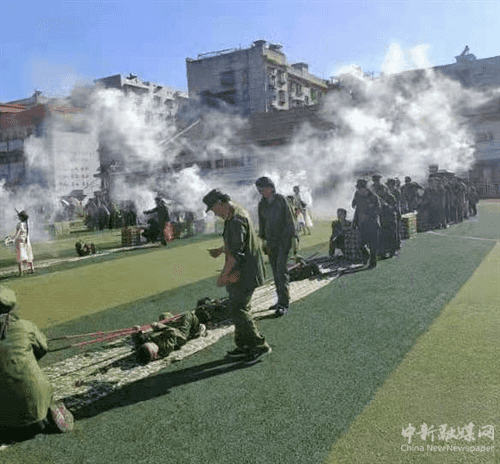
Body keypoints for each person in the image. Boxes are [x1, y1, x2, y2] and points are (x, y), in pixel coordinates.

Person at [203, 188, 271, 364]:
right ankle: (244, 345)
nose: (215, 214)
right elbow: (238, 243)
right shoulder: (237, 211)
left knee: (239, 309)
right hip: (247, 270)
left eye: (214, 209)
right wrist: (221, 250)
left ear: (220, 203)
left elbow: (235, 254)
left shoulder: (235, 220)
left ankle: (258, 345)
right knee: (237, 308)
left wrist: (224, 275)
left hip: (244, 272)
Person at [0, 285, 73, 442]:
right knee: (38, 380)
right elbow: (43, 348)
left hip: (5, 419)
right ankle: (52, 408)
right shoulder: (25, 326)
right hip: (36, 407)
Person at [256, 177, 297, 316]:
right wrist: (263, 240)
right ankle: (280, 299)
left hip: (284, 241)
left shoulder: (281, 200)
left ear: (270, 187)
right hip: (271, 242)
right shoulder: (261, 204)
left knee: (281, 270)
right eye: (259, 189)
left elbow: (290, 219)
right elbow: (262, 223)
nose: (260, 191)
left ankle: (284, 303)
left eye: (262, 188)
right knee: (275, 272)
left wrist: (294, 238)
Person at [134, 311, 206, 363]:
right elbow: (172, 333)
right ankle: (196, 330)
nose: (150, 342)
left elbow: (139, 340)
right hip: (180, 336)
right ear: (155, 353)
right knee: (188, 314)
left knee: (164, 316)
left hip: (166, 331)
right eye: (151, 345)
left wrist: (137, 332)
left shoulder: (145, 348)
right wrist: (160, 326)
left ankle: (176, 322)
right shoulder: (165, 348)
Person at [352, 179, 381, 269]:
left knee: (373, 245)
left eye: (360, 188)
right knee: (359, 244)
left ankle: (373, 262)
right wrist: (354, 221)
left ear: (365, 188)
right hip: (361, 224)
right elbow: (356, 208)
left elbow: (378, 210)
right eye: (358, 188)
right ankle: (366, 256)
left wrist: (368, 214)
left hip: (372, 224)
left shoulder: (374, 197)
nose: (359, 190)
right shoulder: (357, 195)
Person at [9, 210, 35, 275]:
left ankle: (21, 272)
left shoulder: (20, 224)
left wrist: (13, 239)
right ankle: (32, 268)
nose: (19, 217)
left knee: (20, 257)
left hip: (20, 242)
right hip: (27, 241)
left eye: (20, 216)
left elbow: (18, 233)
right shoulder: (27, 224)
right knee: (29, 255)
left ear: (22, 217)